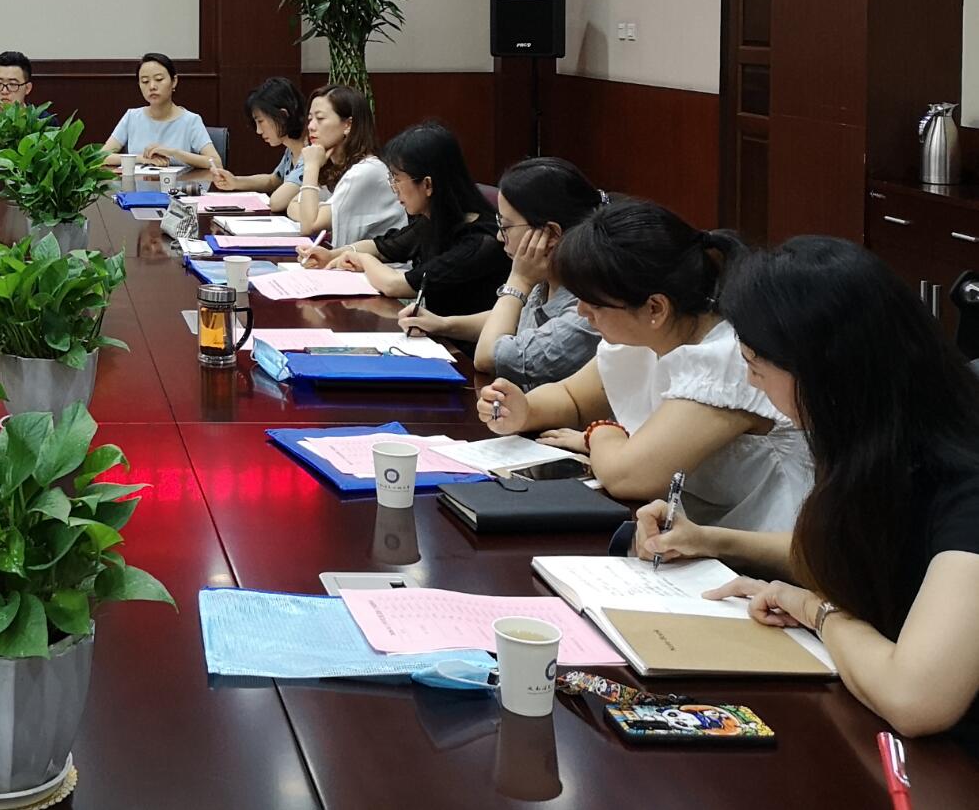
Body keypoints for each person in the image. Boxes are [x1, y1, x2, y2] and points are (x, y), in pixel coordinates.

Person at [633, 237, 979, 747]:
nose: (752, 384)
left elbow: (915, 698)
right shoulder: (883, 438)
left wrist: (817, 612)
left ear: (824, 372)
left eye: (757, 368)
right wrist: (709, 540)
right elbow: (863, 551)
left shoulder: (963, 480)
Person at [477, 200, 812, 528]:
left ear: (655, 308)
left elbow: (628, 477)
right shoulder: (642, 336)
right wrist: (524, 410)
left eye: (594, 303)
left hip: (759, 542)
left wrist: (598, 433)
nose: (580, 311)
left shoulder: (725, 359)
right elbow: (572, 398)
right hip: (682, 530)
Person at [397, 157, 604, 385]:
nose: (498, 236)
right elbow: (515, 320)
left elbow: (488, 357)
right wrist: (443, 324)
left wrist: (519, 280)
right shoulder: (548, 275)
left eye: (505, 226)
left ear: (551, 234)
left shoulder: (587, 309)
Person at [299, 120, 507, 313]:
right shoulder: (434, 220)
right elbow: (383, 247)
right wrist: (333, 255)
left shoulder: (480, 240)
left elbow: (397, 285)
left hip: (459, 340)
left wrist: (362, 259)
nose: (394, 189)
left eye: (397, 180)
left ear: (427, 184)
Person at [282, 84, 403, 247]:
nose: (311, 126)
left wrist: (311, 167)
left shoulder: (366, 171)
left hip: (379, 261)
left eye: (320, 118)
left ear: (348, 125)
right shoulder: (335, 165)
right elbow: (293, 205)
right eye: (310, 119)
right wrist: (310, 213)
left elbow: (309, 225)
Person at [211, 78, 318, 214]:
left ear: (283, 115)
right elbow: (273, 180)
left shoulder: (311, 153)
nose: (258, 131)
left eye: (261, 121)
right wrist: (235, 181)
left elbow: (276, 202)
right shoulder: (291, 149)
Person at [100, 53, 221, 172]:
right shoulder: (131, 117)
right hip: (137, 184)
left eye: (159, 79)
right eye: (145, 81)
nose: (152, 86)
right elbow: (101, 158)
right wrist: (141, 158)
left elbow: (216, 162)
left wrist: (174, 153)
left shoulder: (191, 120)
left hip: (178, 184)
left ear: (174, 81)